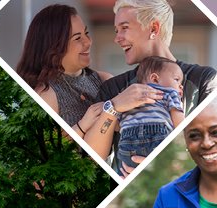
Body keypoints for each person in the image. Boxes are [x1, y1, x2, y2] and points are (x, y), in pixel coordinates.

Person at [15, 4, 164, 161]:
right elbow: (45, 158)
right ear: (53, 46)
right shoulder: (46, 93)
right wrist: (82, 126)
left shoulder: (104, 79)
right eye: (78, 38)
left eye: (86, 33)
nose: (88, 42)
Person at [97, 0, 217, 171]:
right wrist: (114, 107)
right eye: (116, 30)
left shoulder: (204, 79)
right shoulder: (112, 88)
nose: (117, 38)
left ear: (154, 28)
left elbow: (215, 142)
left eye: (124, 28)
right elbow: (95, 157)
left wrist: (164, 164)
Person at [115, 56, 184, 176]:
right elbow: (180, 123)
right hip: (157, 135)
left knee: (128, 172)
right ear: (155, 79)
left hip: (127, 141)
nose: (181, 86)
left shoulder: (127, 96)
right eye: (177, 79)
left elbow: (117, 125)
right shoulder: (169, 93)